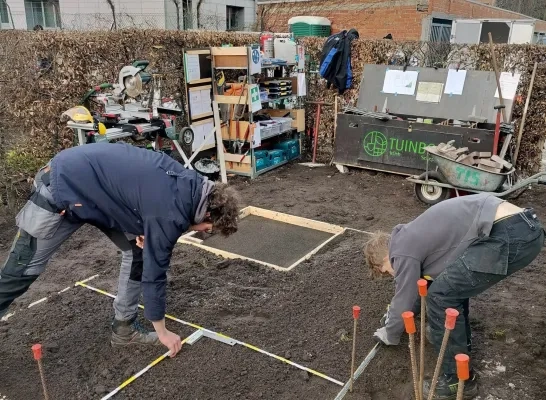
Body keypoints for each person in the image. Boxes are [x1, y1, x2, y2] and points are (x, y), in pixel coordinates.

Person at [0, 142, 239, 356]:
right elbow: (155, 275)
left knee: (138, 254)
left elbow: (138, 197)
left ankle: (124, 330)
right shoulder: (170, 213)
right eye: (208, 227)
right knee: (21, 270)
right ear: (208, 212)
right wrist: (163, 331)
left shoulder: (191, 186)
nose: (202, 231)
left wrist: (144, 228)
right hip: (62, 186)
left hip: (97, 195)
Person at [364, 194, 544, 399]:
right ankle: (456, 345)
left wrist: (390, 332)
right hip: (520, 225)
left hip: (509, 233)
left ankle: (458, 381)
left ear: (384, 260)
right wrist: (400, 317)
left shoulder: (401, 252)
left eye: (387, 271)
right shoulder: (412, 236)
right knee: (448, 288)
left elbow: (405, 294)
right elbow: (421, 286)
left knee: (441, 296)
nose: (392, 274)